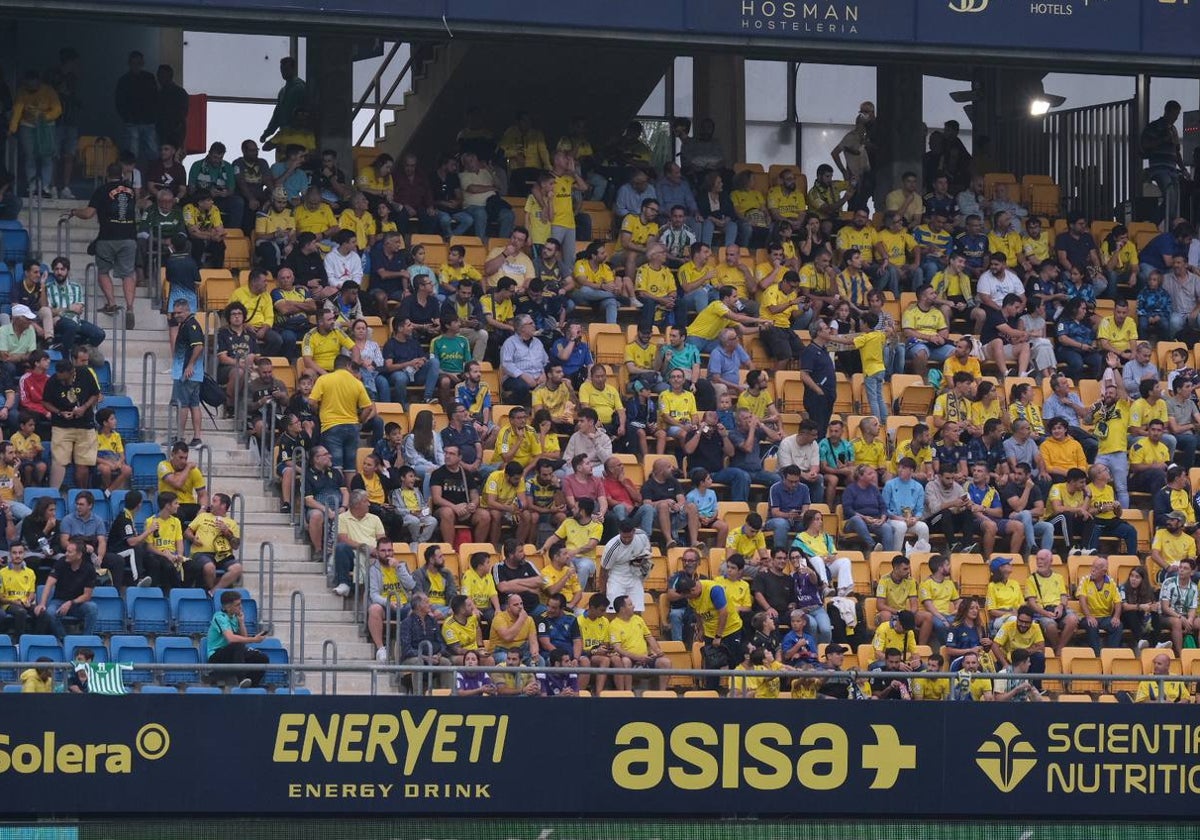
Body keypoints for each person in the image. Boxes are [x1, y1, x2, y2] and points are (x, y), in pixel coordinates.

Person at [34, 537, 98, 638]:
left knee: (92, 607)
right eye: (66, 551)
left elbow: (87, 595)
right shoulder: (61, 562)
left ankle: (87, 639)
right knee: (50, 612)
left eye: (70, 552)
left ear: (79, 555)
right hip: (58, 601)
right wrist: (42, 603)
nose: (66, 554)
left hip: (77, 604)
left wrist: (71, 603)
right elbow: (49, 584)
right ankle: (64, 640)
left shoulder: (89, 569)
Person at [1024, 549, 1078, 657]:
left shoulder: (1058, 577)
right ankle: (1057, 648)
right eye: (1038, 559)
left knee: (1073, 620)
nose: (1039, 562)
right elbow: (1032, 603)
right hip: (1042, 611)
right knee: (1050, 626)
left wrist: (1061, 606)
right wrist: (1045, 613)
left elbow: (1063, 596)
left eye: (1042, 559)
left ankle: (1059, 648)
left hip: (1058, 609)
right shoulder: (1031, 579)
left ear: (1050, 561)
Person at [398, 592, 453, 690]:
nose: (430, 604)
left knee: (446, 662)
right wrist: (426, 657)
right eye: (427, 602)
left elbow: (442, 643)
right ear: (419, 606)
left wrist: (439, 654)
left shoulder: (432, 621)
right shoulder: (407, 623)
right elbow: (407, 650)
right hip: (413, 658)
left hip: (433, 656)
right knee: (418, 662)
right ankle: (418, 696)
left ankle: (446, 697)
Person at [1078, 556, 1124, 655]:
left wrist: (1116, 617)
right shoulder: (1085, 580)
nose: (1092, 570)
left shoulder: (1111, 582)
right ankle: (1097, 656)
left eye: (1096, 568)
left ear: (1104, 571)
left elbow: (1118, 601)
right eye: (1092, 567)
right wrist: (1089, 616)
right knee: (1092, 625)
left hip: (1105, 617)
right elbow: (1082, 600)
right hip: (1086, 616)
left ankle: (1111, 655)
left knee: (1117, 625)